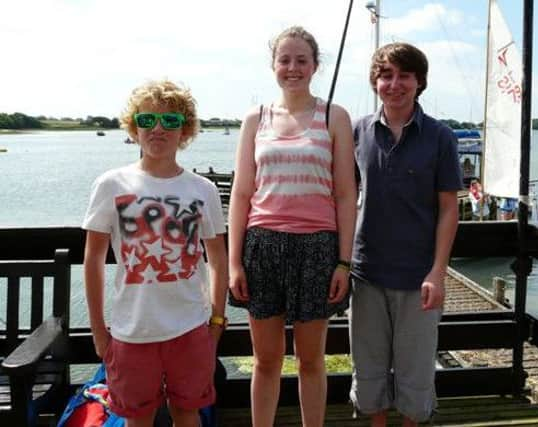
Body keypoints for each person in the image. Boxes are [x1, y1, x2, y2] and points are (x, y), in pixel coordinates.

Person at [228, 26, 357, 427]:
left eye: (302, 60)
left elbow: (345, 196)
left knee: (310, 361)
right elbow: (241, 194)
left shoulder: (334, 116)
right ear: (273, 66)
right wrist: (234, 264)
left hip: (317, 248)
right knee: (266, 361)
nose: (293, 68)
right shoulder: (256, 118)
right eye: (285, 59)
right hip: (262, 245)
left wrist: (343, 262)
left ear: (316, 66)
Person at [82, 80, 228, 427]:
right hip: (132, 330)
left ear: (185, 130)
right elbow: (93, 260)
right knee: (137, 417)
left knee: (187, 412)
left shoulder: (202, 189)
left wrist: (217, 321)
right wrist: (99, 331)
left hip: (191, 328)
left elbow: (218, 259)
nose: (158, 128)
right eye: (147, 120)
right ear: (134, 128)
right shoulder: (110, 184)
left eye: (170, 121)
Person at [350, 43, 463, 426]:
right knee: (368, 370)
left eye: (404, 75)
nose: (394, 84)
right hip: (365, 273)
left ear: (419, 82)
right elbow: (342, 198)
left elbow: (449, 208)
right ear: (375, 82)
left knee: (416, 374)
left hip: (419, 278)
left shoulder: (440, 136)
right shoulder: (357, 132)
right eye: (386, 75)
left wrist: (438, 272)